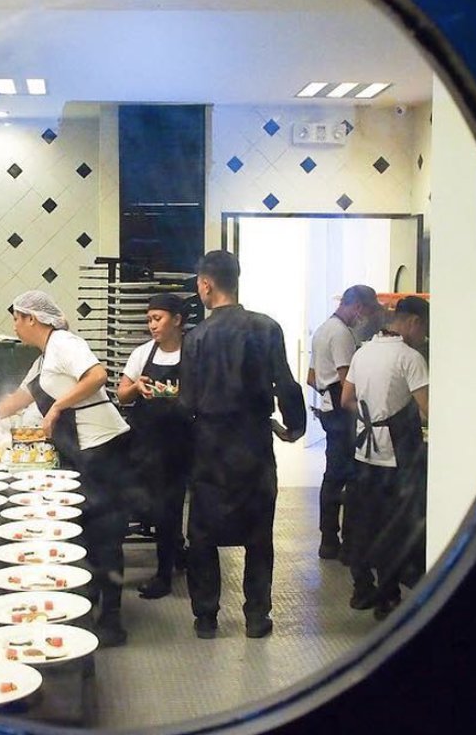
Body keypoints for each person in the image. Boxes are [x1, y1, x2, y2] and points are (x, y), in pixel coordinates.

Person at [0, 291, 134, 646]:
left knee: (105, 533)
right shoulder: (45, 357)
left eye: (17, 318)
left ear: (33, 319)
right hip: (80, 450)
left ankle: (112, 620)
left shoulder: (65, 343)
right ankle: (89, 604)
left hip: (102, 448)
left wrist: (56, 408)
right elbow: (21, 397)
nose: (15, 326)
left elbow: (97, 375)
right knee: (85, 530)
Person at [179, 250, 305, 639]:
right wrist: (295, 426)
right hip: (254, 442)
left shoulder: (196, 338)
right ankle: (256, 616)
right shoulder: (267, 328)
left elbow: (186, 402)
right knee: (258, 532)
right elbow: (286, 382)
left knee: (202, 534)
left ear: (206, 284)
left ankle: (206, 617)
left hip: (210, 445)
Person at [339, 295, 430, 621]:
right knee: (394, 526)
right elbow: (428, 409)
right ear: (414, 322)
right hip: (395, 455)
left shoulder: (363, 352)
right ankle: (388, 596)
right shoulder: (410, 358)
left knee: (364, 521)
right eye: (424, 329)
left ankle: (362, 588)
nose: (424, 337)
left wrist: (371, 418)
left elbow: (346, 399)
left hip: (364, 451)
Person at [116, 292, 192, 600]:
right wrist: (137, 386)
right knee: (155, 506)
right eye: (149, 319)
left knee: (170, 507)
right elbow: (121, 394)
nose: (152, 325)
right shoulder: (142, 353)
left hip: (182, 441)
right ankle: (177, 553)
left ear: (177, 320)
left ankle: (164, 574)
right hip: (147, 442)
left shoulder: (193, 352)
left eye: (157, 319)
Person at [306, 285, 383, 559]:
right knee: (351, 477)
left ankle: (328, 538)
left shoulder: (323, 329)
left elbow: (311, 378)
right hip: (343, 413)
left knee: (333, 476)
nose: (365, 318)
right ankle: (346, 543)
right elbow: (347, 379)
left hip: (329, 410)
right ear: (358, 307)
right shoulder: (341, 333)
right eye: (367, 311)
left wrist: (327, 396)